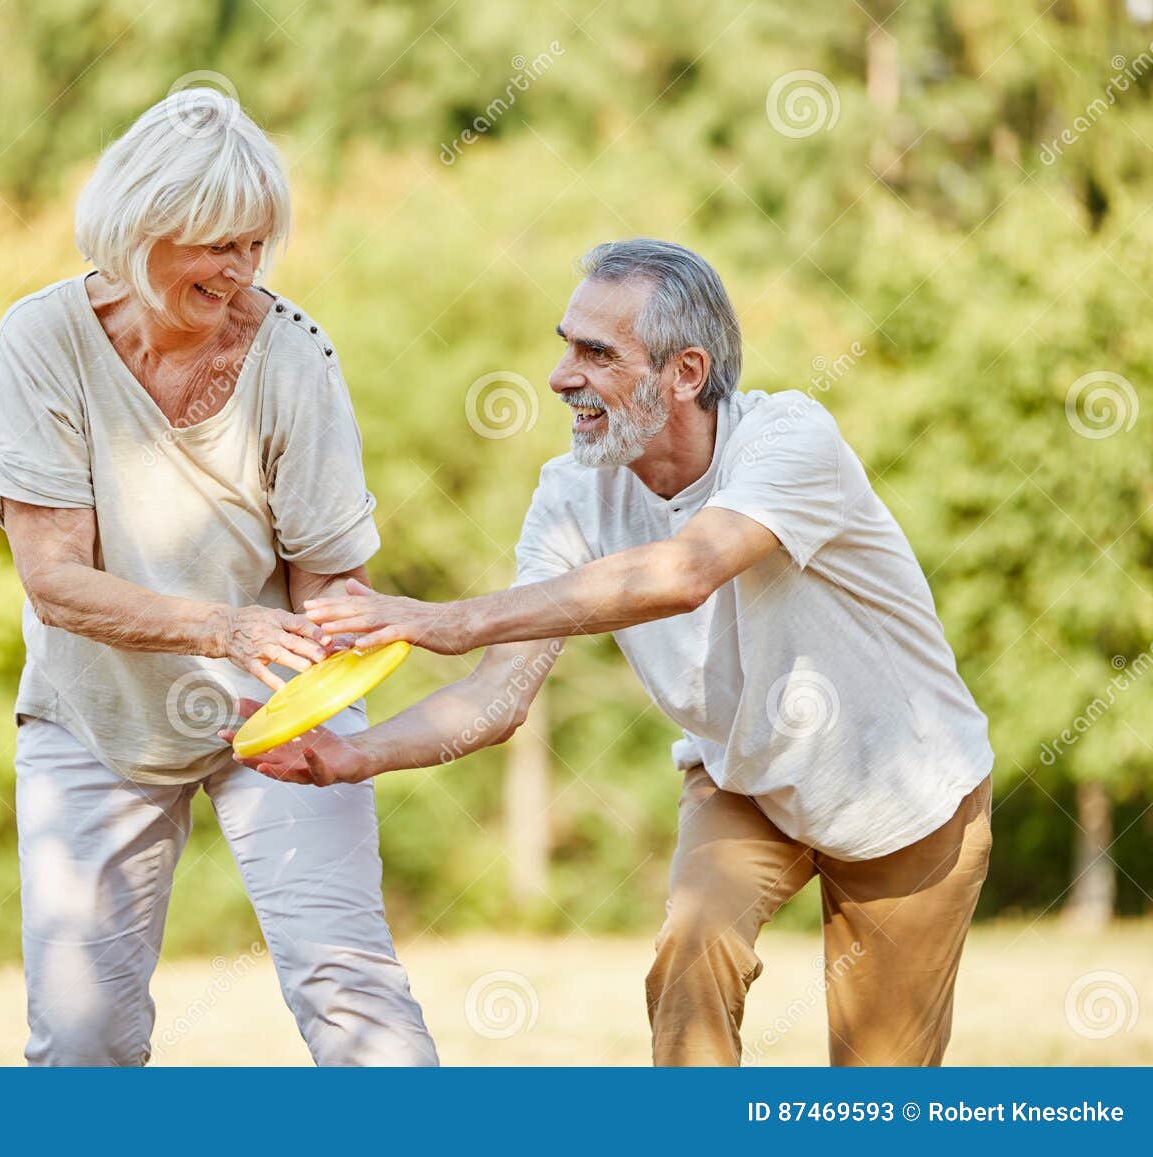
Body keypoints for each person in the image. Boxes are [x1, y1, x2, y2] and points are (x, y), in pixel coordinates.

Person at [230, 239, 994, 1067]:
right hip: (746, 778)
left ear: (686, 373)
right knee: (690, 956)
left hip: (907, 790)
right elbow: (499, 698)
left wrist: (446, 619)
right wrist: (354, 755)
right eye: (566, 345)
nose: (561, 376)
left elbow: (688, 570)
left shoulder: (790, 442)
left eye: (596, 353)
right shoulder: (572, 495)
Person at [0, 88, 436, 1066]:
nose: (242, 272)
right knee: (80, 1035)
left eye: (257, 245)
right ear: (141, 228)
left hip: (277, 704)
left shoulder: (293, 355)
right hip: (92, 716)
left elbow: (331, 584)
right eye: (217, 245)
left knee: (349, 988)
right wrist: (222, 628)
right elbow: (54, 579)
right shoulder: (41, 342)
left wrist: (326, 667)